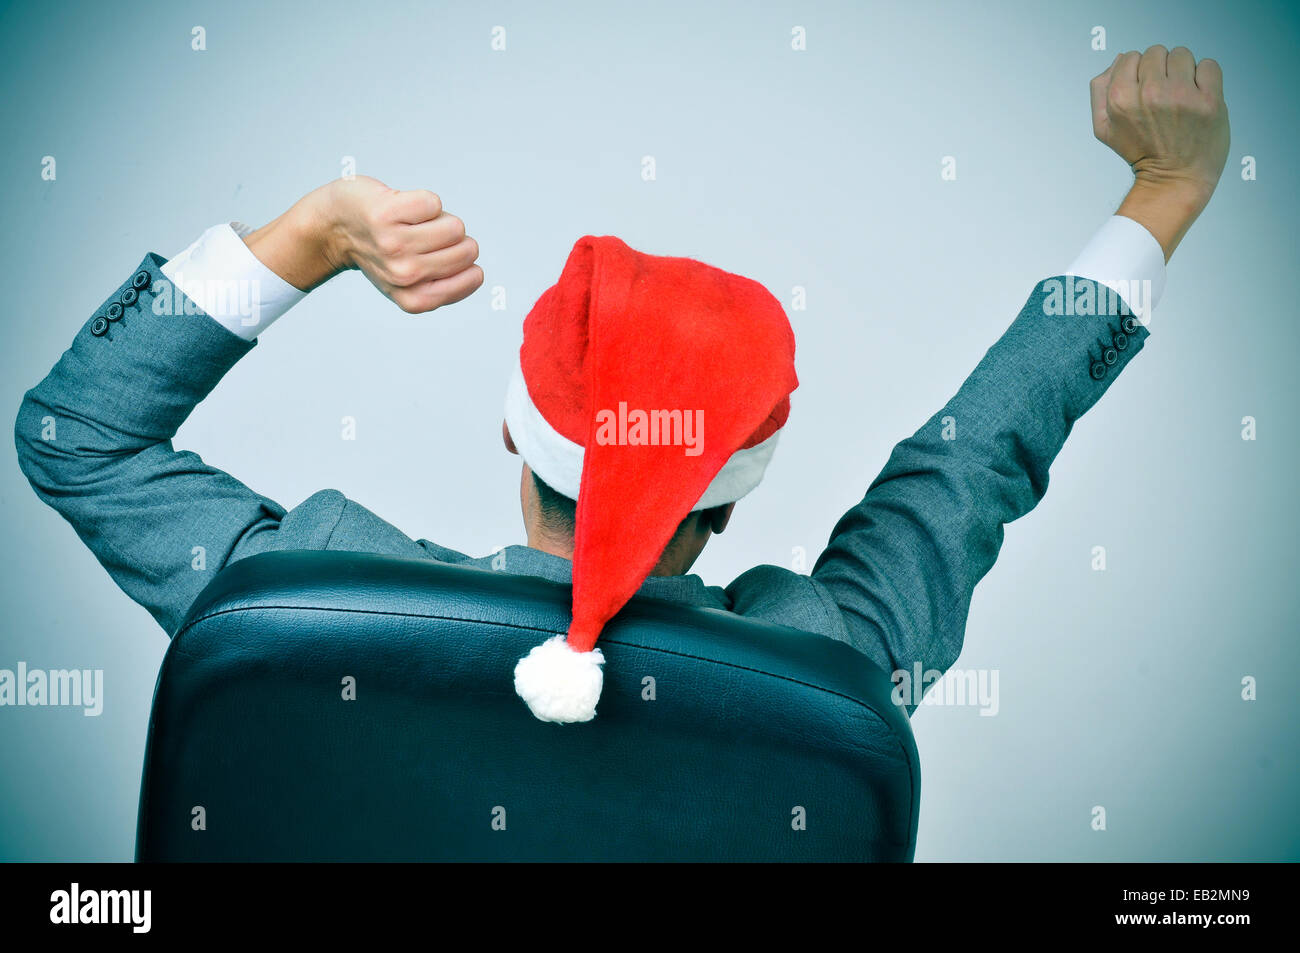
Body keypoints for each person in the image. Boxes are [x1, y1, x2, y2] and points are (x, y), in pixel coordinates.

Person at [15, 46, 1229, 722]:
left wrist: (312, 233)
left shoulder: (305, 603)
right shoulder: (833, 668)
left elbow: (78, 433)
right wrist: (1161, 197)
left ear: (512, 429)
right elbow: (973, 459)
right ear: (732, 501)